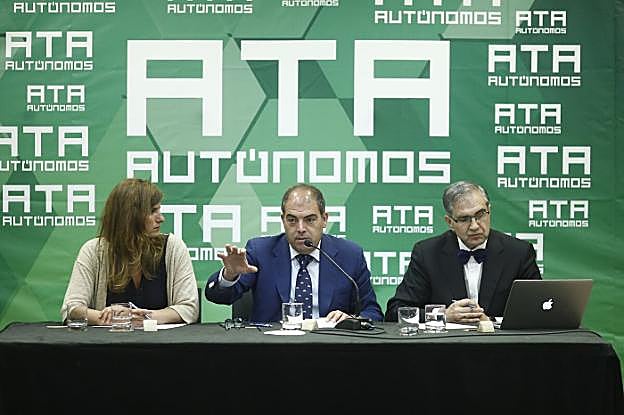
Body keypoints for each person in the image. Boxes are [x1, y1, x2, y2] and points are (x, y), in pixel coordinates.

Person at [205, 183, 383, 323]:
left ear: (324, 219)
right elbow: (218, 296)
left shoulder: (349, 255)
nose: (300, 228)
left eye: (310, 220)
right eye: (292, 220)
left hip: (330, 348)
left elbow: (373, 312)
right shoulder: (261, 251)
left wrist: (352, 320)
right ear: (283, 220)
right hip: (272, 348)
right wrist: (229, 275)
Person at [385, 180, 541, 323]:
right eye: (464, 219)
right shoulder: (427, 253)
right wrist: (442, 315)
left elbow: (539, 309)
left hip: (502, 343)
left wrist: (491, 321)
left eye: (480, 215)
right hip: (448, 343)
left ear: (489, 210)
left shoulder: (518, 253)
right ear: (450, 222)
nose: (474, 226)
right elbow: (396, 311)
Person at [61, 178, 199, 325]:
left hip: (164, 340)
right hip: (108, 339)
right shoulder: (94, 251)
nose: (161, 218)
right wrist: (110, 317)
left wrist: (146, 318)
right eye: (153, 211)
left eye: (159, 210)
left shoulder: (173, 248)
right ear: (130, 216)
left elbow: (189, 308)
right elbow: (72, 308)